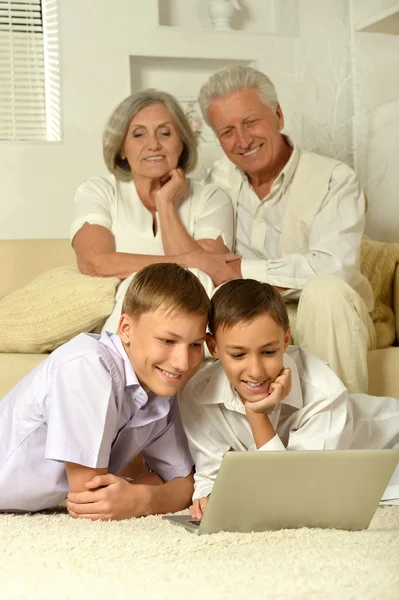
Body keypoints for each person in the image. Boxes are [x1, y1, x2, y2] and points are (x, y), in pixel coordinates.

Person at [190, 65, 376, 394]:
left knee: (326, 292)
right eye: (227, 131)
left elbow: (334, 267)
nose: (243, 140)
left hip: (325, 311)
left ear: (278, 115)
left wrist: (241, 270)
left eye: (251, 121)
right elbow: (201, 261)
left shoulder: (335, 178)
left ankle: (341, 433)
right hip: (249, 318)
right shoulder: (215, 181)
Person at [0, 263, 210, 520]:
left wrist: (141, 499)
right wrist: (150, 491)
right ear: (126, 329)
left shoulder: (159, 392)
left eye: (195, 344)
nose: (183, 362)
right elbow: (91, 498)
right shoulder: (89, 365)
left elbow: (186, 485)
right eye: (167, 340)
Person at [180, 279, 399, 520]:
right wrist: (208, 498)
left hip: (391, 440)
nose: (255, 371)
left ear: (286, 341)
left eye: (268, 352)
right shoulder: (198, 394)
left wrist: (257, 415)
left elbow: (292, 496)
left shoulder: (324, 392)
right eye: (238, 354)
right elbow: (209, 475)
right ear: (213, 348)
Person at [71, 88, 238, 333]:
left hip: (190, 330)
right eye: (139, 134)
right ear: (121, 148)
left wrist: (166, 204)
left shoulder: (212, 198)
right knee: (135, 286)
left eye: (165, 133)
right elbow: (93, 263)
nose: (153, 144)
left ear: (182, 143)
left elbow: (208, 276)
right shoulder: (99, 191)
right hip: (123, 324)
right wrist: (189, 259)